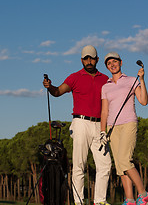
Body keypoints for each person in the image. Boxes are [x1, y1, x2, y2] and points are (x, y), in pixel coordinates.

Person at [43, 45, 112, 205]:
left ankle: (100, 201)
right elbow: (58, 91)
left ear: (97, 59)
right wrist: (50, 87)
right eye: (86, 58)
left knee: (106, 164)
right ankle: (79, 202)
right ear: (81, 60)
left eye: (92, 58)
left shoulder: (105, 79)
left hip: (100, 126)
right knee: (79, 164)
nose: (89, 61)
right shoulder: (74, 77)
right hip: (80, 123)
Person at [100, 52, 148, 205]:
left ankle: (144, 194)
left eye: (115, 61)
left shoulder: (131, 80)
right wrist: (102, 131)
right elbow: (104, 111)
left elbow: (143, 101)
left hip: (129, 123)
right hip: (111, 127)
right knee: (120, 167)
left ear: (121, 62)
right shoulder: (105, 86)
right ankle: (129, 199)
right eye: (109, 63)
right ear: (107, 67)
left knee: (125, 160)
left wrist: (142, 80)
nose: (112, 65)